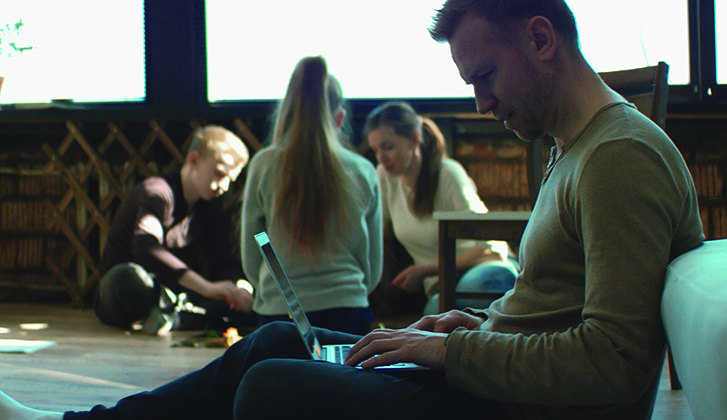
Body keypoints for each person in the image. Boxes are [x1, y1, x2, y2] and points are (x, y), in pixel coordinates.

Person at [0, 1, 705, 419]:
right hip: (490, 374)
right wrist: (474, 322)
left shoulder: (618, 157)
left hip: (515, 406)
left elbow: (610, 365)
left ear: (541, 38)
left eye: (484, 77)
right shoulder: (570, 149)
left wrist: (453, 350)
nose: (480, 104)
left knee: (271, 388)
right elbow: (555, 308)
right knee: (275, 344)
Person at [240, 56, 383, 336]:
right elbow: (372, 265)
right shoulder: (364, 171)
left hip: (280, 314)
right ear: (340, 119)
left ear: (287, 112)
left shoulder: (263, 165)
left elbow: (254, 248)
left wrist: (272, 285)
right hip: (348, 310)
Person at [93, 125, 255, 335]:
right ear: (193, 160)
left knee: (245, 303)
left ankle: (174, 319)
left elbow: (224, 260)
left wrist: (242, 289)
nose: (223, 186)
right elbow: (146, 247)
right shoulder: (158, 192)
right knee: (127, 276)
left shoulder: (210, 206)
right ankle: (180, 315)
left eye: (229, 180)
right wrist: (206, 287)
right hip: (126, 293)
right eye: (218, 174)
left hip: (173, 292)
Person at [364, 101, 516, 315]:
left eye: (388, 147)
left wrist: (424, 270)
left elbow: (492, 250)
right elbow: (379, 233)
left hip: (484, 270)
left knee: (473, 291)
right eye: (376, 150)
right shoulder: (385, 176)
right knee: (436, 311)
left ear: (414, 140)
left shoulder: (448, 174)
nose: (381, 157)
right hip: (441, 286)